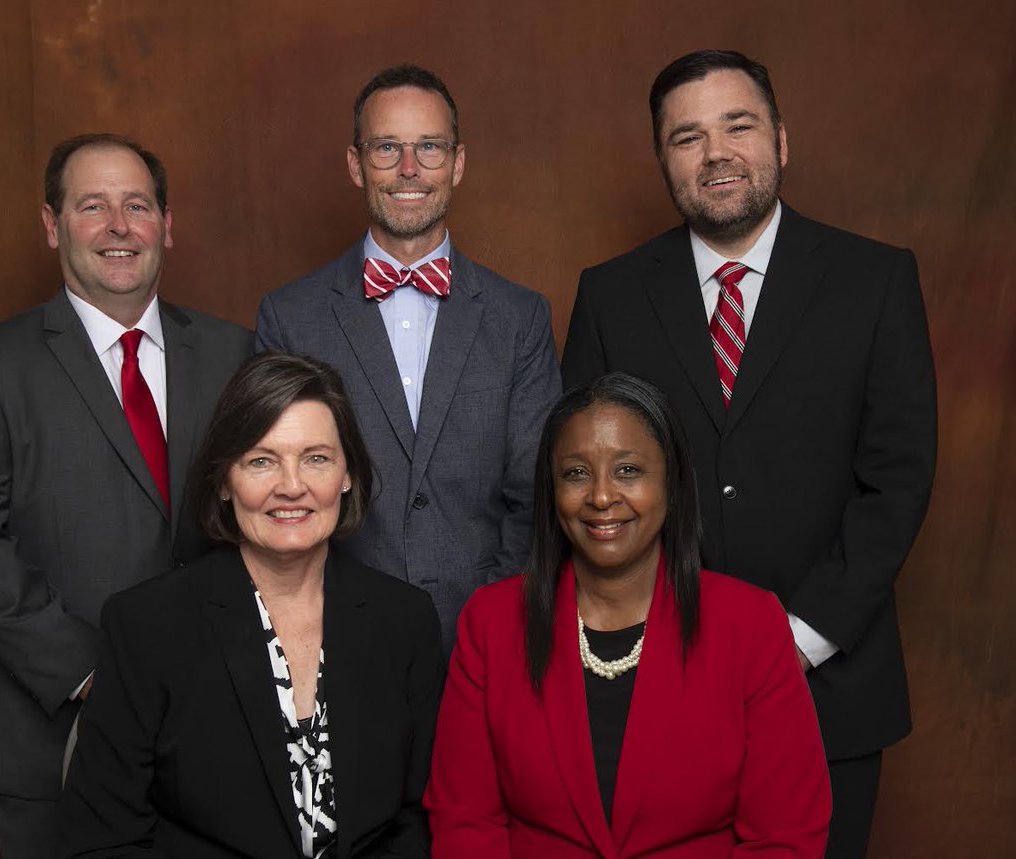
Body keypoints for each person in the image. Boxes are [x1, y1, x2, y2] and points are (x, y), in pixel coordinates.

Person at [561, 50, 937, 858]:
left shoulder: (875, 281)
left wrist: (793, 641)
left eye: (739, 126)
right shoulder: (611, 294)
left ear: (782, 140)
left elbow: (896, 481)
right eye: (687, 137)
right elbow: (588, 493)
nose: (716, 153)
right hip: (653, 686)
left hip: (831, 689)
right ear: (664, 160)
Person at [0, 133, 254, 858]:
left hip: (216, 729)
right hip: (51, 740)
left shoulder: (235, 354)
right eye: (92, 206)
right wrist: (94, 670)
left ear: (167, 223)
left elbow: (261, 519)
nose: (118, 226)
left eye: (137, 205)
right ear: (52, 224)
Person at [425, 373, 830, 857]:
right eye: (576, 473)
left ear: (673, 482)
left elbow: (785, 837)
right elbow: (465, 823)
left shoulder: (750, 626)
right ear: (550, 491)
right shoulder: (490, 624)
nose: (600, 496)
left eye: (628, 471)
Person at [60, 352, 445, 857]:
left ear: (347, 475)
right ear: (224, 481)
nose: (291, 485)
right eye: (261, 460)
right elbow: (101, 841)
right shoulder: (147, 626)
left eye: (316, 458)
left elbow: (419, 820)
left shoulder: (406, 619)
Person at [256, 64, 561, 651]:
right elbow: (277, 494)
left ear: (459, 162)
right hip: (332, 640)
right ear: (354, 164)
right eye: (386, 148)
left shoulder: (519, 317)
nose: (409, 169)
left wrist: (492, 626)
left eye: (429, 147)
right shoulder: (290, 318)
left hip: (487, 638)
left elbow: (537, 495)